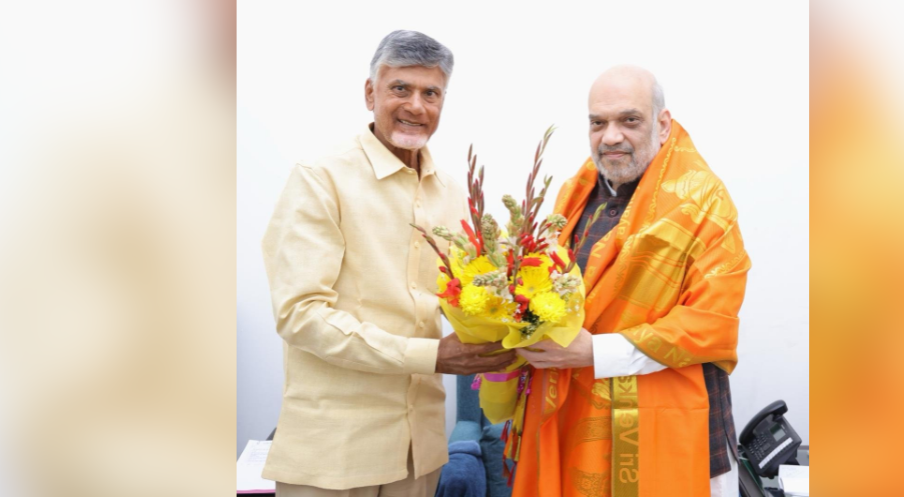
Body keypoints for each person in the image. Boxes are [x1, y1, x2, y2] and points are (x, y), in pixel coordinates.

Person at [261, 30, 517, 497]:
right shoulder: (321, 179)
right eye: (401, 88)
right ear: (370, 93)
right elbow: (300, 315)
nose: (416, 106)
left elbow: (475, 298)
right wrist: (432, 355)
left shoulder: (454, 195)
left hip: (420, 457)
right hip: (333, 457)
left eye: (430, 93)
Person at [515, 65, 750, 497]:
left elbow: (710, 323)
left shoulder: (704, 205)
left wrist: (595, 352)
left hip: (677, 427)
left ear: (662, 124)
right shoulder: (574, 194)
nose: (611, 137)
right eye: (598, 122)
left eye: (629, 120)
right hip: (577, 420)